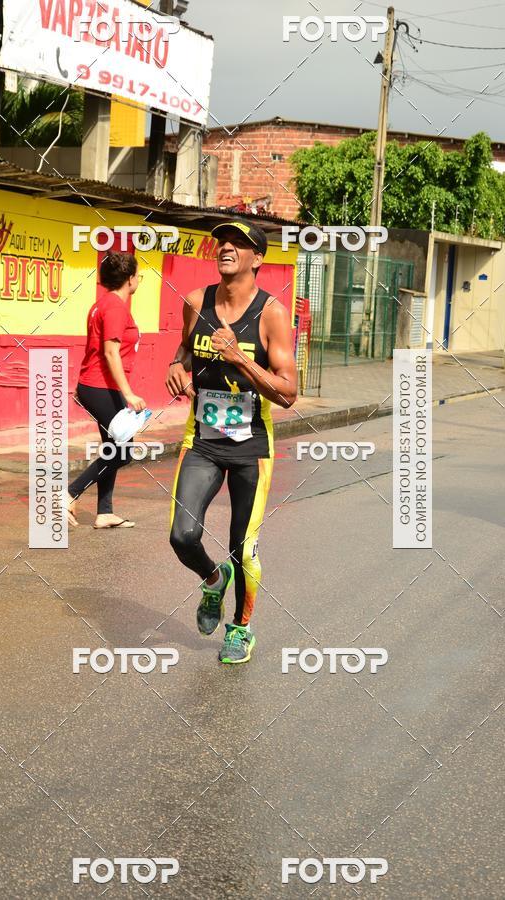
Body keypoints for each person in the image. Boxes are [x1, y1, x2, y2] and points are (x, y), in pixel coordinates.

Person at [166, 220, 297, 664]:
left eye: (238, 243)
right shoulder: (196, 301)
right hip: (202, 439)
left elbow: (288, 393)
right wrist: (177, 365)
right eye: (222, 241)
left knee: (243, 546)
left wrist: (239, 357)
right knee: (182, 535)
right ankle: (212, 579)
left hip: (250, 448)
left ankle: (240, 630)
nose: (226, 247)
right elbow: (186, 348)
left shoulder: (271, 314)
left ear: (257, 258)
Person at [68, 252, 146, 529]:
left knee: (112, 447)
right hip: (102, 387)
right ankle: (69, 494)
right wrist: (129, 394)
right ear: (129, 279)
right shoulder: (115, 307)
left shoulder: (102, 304)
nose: (138, 279)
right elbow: (110, 352)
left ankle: (105, 512)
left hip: (98, 386)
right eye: (138, 275)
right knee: (122, 453)